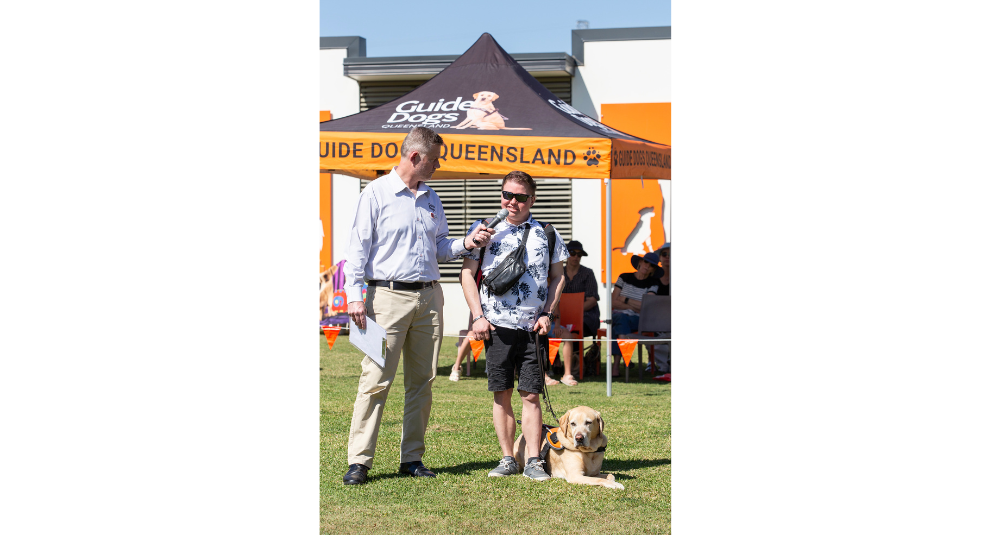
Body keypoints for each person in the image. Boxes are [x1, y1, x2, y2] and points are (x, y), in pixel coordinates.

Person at [342, 126, 494, 485]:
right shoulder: (375, 193)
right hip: (385, 299)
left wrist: (467, 242)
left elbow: (441, 247)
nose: (438, 166)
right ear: (415, 157)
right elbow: (357, 250)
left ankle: (411, 459)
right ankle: (359, 461)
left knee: (422, 382)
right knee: (375, 380)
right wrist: (353, 296)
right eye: (435, 160)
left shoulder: (431, 197)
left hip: (429, 297)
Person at [460, 170, 568, 481]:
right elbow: (467, 275)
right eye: (507, 195)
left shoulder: (547, 232)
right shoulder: (484, 231)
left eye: (520, 197)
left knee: (531, 394)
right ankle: (508, 458)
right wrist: (478, 316)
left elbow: (558, 276)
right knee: (501, 392)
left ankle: (533, 460)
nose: (512, 202)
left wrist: (548, 312)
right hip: (496, 326)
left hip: (533, 328)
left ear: (532, 199)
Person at [552, 240, 600, 384]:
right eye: (572, 253)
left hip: (585, 316)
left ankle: (575, 365)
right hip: (561, 316)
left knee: (575, 329)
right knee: (550, 328)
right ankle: (556, 363)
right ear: (567, 255)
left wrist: (575, 311)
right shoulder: (558, 273)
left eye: (579, 254)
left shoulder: (587, 273)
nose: (575, 257)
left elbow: (592, 299)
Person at [610, 251, 661, 376]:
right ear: (640, 262)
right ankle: (625, 360)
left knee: (619, 324)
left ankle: (617, 366)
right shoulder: (624, 277)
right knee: (621, 319)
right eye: (646, 262)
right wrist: (635, 306)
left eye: (652, 265)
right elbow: (613, 302)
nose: (647, 266)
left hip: (638, 320)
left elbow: (646, 307)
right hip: (619, 316)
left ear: (653, 269)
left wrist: (625, 299)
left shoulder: (653, 283)